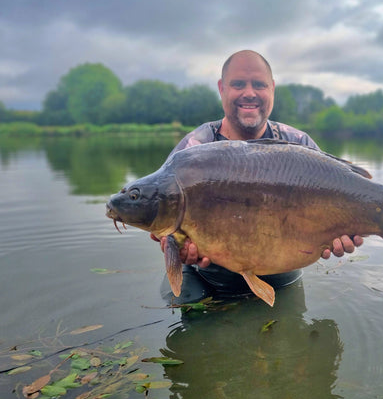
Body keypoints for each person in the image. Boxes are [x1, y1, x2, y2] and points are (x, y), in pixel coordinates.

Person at [153, 50, 362, 301]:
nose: (249, 93)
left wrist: (343, 234)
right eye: (238, 84)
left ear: (272, 89)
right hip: (208, 276)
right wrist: (172, 244)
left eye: (259, 85)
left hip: (281, 271)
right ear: (222, 88)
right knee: (182, 303)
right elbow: (160, 220)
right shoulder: (192, 150)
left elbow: (339, 199)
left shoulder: (299, 145)